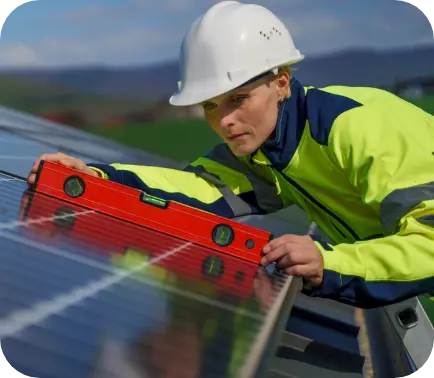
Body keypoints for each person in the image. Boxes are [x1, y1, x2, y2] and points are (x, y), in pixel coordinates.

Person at [27, 0, 434, 309]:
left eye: (238, 98)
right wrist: (94, 180)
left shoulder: (355, 127)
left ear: (282, 82)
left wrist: (329, 262)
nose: (225, 121)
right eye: (210, 105)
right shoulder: (269, 147)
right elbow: (200, 189)